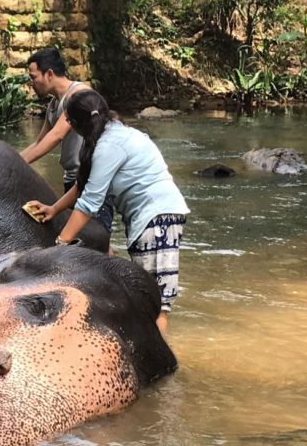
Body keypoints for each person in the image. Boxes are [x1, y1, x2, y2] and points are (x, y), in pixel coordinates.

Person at [25, 90, 189, 335]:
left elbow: (90, 203)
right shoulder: (112, 134)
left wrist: (59, 243)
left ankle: (162, 365)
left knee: (156, 302)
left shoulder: (109, 145)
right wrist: (54, 209)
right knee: (144, 295)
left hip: (159, 218)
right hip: (151, 218)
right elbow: (85, 185)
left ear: (76, 125)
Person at [19, 48, 115, 235]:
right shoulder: (54, 105)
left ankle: (113, 264)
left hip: (93, 178)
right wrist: (13, 160)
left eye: (33, 77)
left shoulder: (78, 95)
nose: (31, 83)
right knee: (84, 239)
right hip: (73, 179)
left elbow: (56, 136)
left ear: (49, 74)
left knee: (95, 237)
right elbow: (40, 141)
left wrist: (20, 165)